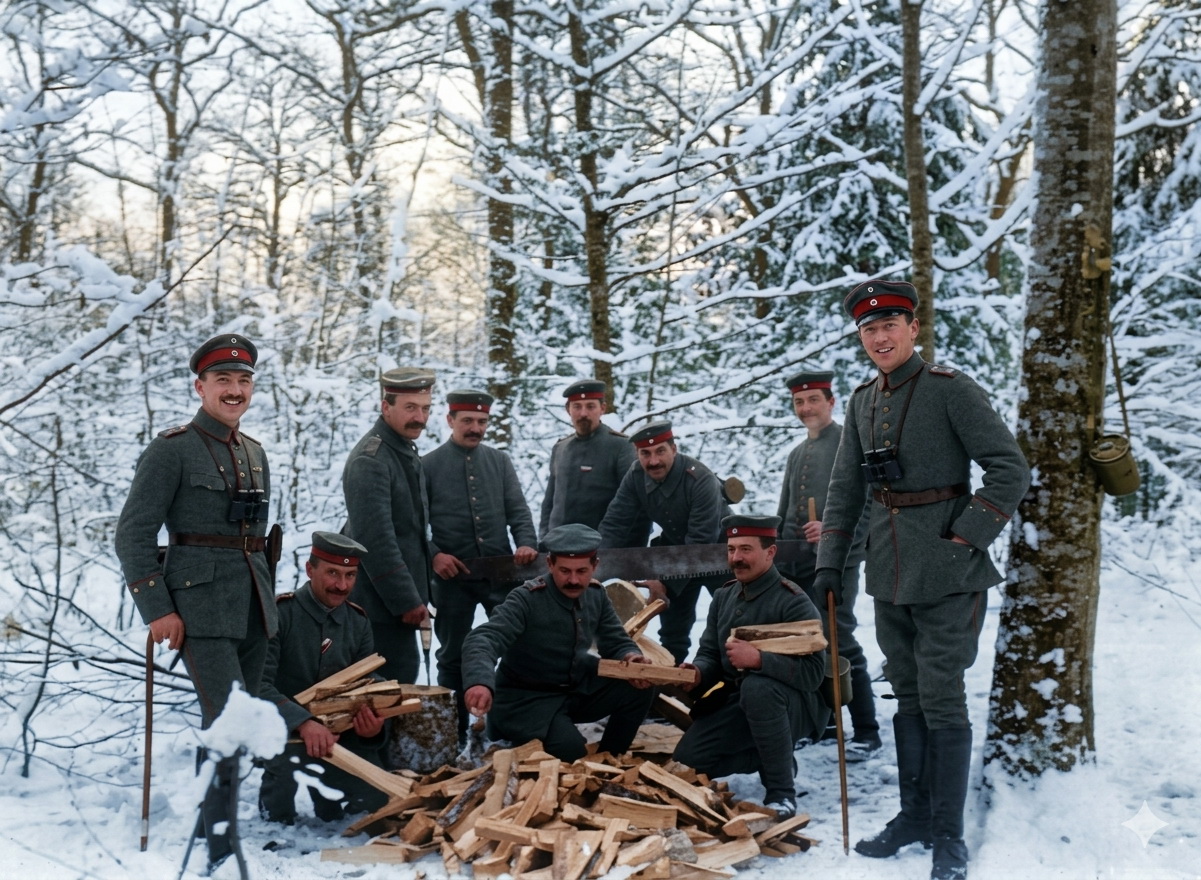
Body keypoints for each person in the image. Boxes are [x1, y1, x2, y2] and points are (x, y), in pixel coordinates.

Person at [814, 280, 1030, 880]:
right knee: (907, 692)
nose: (880, 338)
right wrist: (832, 560)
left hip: (948, 568)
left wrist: (967, 536)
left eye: (890, 326)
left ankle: (948, 836)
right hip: (888, 569)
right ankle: (913, 816)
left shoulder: (950, 390)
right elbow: (845, 490)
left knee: (941, 693)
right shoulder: (861, 401)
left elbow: (1010, 468)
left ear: (914, 329)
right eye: (868, 330)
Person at [114, 334, 276, 870]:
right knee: (227, 720)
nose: (235, 391)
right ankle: (223, 851)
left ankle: (216, 830)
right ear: (200, 386)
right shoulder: (172, 449)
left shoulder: (254, 452)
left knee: (239, 725)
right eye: (223, 381)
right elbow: (133, 534)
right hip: (199, 610)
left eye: (244, 381)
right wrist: (158, 609)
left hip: (253, 606)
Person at [672, 515, 829, 820]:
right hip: (740, 702)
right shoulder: (723, 597)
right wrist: (698, 672)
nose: (736, 558)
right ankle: (770, 755)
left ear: (770, 552)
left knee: (759, 687)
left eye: (745, 549)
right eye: (731, 549)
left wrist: (759, 660)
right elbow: (710, 653)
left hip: (794, 704)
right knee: (688, 762)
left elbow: (813, 674)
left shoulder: (793, 602)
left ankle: (781, 792)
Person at [460, 524, 655, 761]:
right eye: (564, 571)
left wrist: (630, 658)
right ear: (549, 564)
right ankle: (526, 738)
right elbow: (483, 639)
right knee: (570, 752)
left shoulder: (596, 594)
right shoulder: (526, 599)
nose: (573, 580)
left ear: (595, 565)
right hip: (527, 700)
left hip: (574, 690)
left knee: (640, 686)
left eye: (582, 571)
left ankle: (609, 759)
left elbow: (615, 640)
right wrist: (479, 682)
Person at [422, 388, 539, 745]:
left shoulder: (499, 461)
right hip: (452, 578)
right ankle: (451, 730)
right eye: (468, 421)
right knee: (452, 653)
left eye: (482, 421)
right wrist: (434, 554)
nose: (475, 427)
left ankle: (508, 722)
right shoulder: (427, 465)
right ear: (450, 421)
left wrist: (526, 543)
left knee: (517, 645)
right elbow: (415, 523)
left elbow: (518, 511)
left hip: (501, 575)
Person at [776, 369, 880, 758]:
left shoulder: (849, 444)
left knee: (840, 640)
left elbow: (870, 504)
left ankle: (867, 731)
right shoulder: (796, 454)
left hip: (839, 561)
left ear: (831, 402)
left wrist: (835, 529)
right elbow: (786, 511)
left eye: (813, 400)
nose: (806, 409)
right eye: (799, 402)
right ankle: (825, 723)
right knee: (806, 642)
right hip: (799, 565)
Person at [258, 532, 389, 824]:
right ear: (309, 569)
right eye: (332, 573)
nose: (342, 585)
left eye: (350, 575)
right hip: (284, 734)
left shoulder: (358, 621)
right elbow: (258, 685)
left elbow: (367, 681)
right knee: (277, 821)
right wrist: (302, 723)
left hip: (338, 737)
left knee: (379, 802)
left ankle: (330, 797)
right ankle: (275, 812)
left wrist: (373, 728)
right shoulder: (280, 614)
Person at [598, 420, 728, 663]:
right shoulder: (636, 474)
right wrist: (597, 568)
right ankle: (670, 686)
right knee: (673, 633)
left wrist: (663, 581)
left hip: (718, 555)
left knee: (730, 624)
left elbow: (700, 543)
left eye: (660, 451)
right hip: (678, 553)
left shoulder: (700, 479)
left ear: (674, 449)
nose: (653, 461)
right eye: (645, 454)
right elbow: (616, 522)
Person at [341, 367, 436, 685]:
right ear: (386, 407)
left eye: (425, 409)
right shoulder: (372, 460)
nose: (420, 418)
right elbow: (374, 539)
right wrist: (406, 600)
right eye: (410, 408)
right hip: (378, 607)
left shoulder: (402, 451)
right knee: (387, 691)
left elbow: (411, 530)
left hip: (396, 604)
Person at [539, 379, 639, 538]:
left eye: (590, 406)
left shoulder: (621, 446)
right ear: (568, 410)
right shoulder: (560, 448)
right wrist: (544, 537)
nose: (583, 413)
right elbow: (549, 502)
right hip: (559, 544)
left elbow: (634, 503)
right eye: (577, 406)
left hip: (601, 546)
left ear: (603, 408)